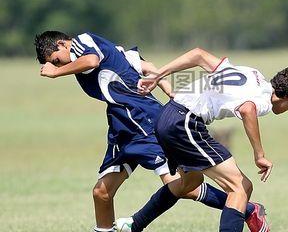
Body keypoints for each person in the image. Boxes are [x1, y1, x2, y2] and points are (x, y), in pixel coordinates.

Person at [35, 32, 269, 232]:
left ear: (62, 44)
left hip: (144, 120)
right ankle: (244, 205)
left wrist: (56, 73)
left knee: (184, 185)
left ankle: (247, 209)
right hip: (121, 126)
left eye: (56, 60)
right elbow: (143, 64)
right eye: (55, 65)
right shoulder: (105, 49)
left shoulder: (83, 42)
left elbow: (92, 61)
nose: (58, 66)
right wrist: (168, 89)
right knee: (102, 193)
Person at [115, 47, 288, 232]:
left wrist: (160, 74)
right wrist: (259, 155)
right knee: (241, 187)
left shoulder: (251, 73)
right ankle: (249, 211)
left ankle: (134, 224)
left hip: (166, 115)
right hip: (184, 122)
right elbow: (248, 109)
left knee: (190, 183)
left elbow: (198, 55)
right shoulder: (263, 99)